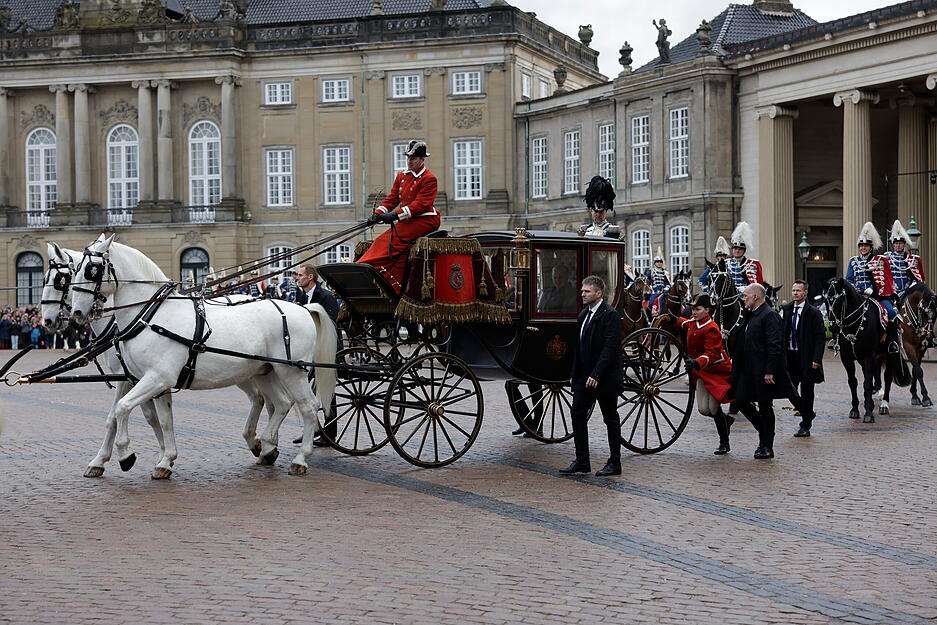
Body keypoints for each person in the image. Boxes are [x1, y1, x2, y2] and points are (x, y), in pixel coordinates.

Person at [559, 275, 624, 477]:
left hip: (604, 377)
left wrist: (597, 373)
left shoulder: (610, 315)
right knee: (577, 414)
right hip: (584, 377)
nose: (582, 294)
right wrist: (575, 375)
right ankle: (582, 460)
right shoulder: (583, 315)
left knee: (610, 418)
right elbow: (578, 348)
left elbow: (610, 348)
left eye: (586, 291)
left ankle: (615, 462)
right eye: (582, 291)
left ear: (598, 293)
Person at [358, 140, 440, 293]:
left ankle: (371, 267)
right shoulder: (402, 176)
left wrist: (395, 215)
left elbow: (420, 205)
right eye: (408, 157)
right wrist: (378, 213)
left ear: (422, 160)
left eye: (413, 158)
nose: (410, 161)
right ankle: (367, 266)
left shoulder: (429, 178)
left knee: (392, 239)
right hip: (407, 218)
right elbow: (393, 198)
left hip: (425, 219)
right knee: (383, 239)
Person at [731, 283, 797, 459]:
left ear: (755, 297)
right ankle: (764, 429)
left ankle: (766, 445)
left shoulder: (769, 315)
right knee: (740, 400)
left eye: (745, 295)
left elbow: (775, 345)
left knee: (765, 406)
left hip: (763, 371)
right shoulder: (750, 315)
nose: (743, 298)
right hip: (748, 369)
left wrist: (770, 371)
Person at [680, 294, 735, 455]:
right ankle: (727, 421)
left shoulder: (711, 327)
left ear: (707, 310)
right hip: (702, 371)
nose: (694, 312)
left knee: (713, 407)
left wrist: (697, 362)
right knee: (703, 409)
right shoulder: (693, 322)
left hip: (717, 370)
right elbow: (685, 323)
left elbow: (712, 353)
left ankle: (724, 442)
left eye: (697, 309)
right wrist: (671, 318)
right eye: (693, 309)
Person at [292, 264, 340, 447]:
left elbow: (331, 325)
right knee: (306, 391)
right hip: (308, 348)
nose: (297, 277)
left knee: (327, 391)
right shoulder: (301, 295)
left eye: (300, 275)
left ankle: (330, 434)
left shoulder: (325, 296)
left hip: (325, 348)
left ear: (310, 277)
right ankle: (311, 430)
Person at [780, 280, 825, 437]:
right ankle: (808, 412)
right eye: (793, 290)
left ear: (805, 292)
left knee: (807, 391)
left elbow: (820, 337)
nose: (795, 293)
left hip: (806, 357)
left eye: (798, 290)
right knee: (788, 388)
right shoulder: (786, 309)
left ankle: (805, 425)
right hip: (789, 356)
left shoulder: (813, 312)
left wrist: (817, 359)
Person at [845, 221, 898, 351]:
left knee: (891, 312)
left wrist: (872, 289)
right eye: (861, 246)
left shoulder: (879, 260)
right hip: (857, 294)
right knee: (840, 311)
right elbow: (849, 279)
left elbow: (883, 279)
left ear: (870, 247)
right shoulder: (853, 261)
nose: (863, 248)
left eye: (865, 246)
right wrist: (854, 290)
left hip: (876, 295)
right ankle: (838, 341)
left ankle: (892, 341)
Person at [885, 219, 925, 298]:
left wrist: (913, 285)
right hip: (892, 292)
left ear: (904, 245)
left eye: (900, 243)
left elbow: (917, 276)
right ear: (893, 245)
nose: (898, 245)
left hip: (907, 292)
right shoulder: (887, 258)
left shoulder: (912, 259)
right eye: (896, 243)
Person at [727, 221, 764, 293]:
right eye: (735, 248)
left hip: (747, 296)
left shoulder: (753, 264)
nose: (737, 251)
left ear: (744, 251)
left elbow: (759, 284)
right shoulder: (726, 263)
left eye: (740, 249)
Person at [645, 248, 671, 314]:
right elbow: (646, 281)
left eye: (660, 262)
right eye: (657, 262)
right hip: (654, 292)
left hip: (663, 292)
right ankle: (651, 316)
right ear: (655, 263)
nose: (659, 263)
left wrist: (666, 287)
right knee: (650, 304)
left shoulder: (665, 272)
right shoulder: (651, 271)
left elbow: (668, 283)